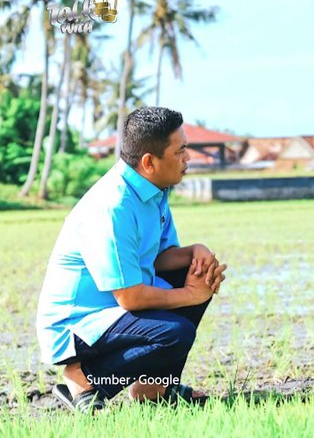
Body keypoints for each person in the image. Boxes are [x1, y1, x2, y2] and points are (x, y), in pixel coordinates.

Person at [36, 107, 228, 412]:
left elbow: (160, 258)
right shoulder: (114, 206)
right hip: (78, 323)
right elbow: (129, 296)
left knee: (198, 273)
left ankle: (153, 390)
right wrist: (189, 295)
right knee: (175, 333)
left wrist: (194, 252)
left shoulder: (153, 190)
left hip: (114, 309)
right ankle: (84, 378)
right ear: (149, 162)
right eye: (180, 152)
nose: (187, 159)